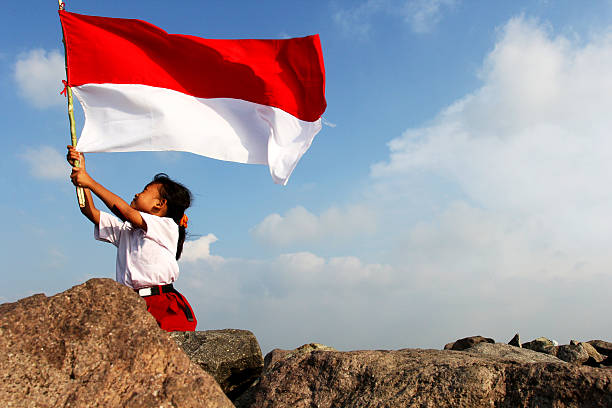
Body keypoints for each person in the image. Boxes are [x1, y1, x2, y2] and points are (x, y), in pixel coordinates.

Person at [67, 145, 197, 331]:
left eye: (144, 191)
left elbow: (125, 212)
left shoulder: (166, 226)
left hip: (162, 303)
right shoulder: (127, 231)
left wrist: (90, 182)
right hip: (130, 303)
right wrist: (81, 173)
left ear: (160, 204)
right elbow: (90, 211)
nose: (137, 193)